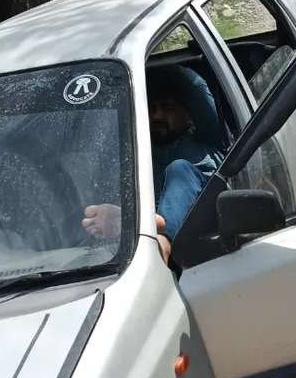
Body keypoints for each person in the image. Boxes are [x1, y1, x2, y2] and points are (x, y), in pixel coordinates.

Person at [82, 65, 227, 262]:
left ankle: (159, 239)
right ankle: (137, 224)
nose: (157, 116)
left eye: (167, 108)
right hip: (134, 248)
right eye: (151, 109)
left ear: (188, 114)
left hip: (204, 229)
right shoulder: (135, 156)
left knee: (179, 169)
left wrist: (148, 65)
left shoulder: (212, 142)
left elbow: (195, 87)